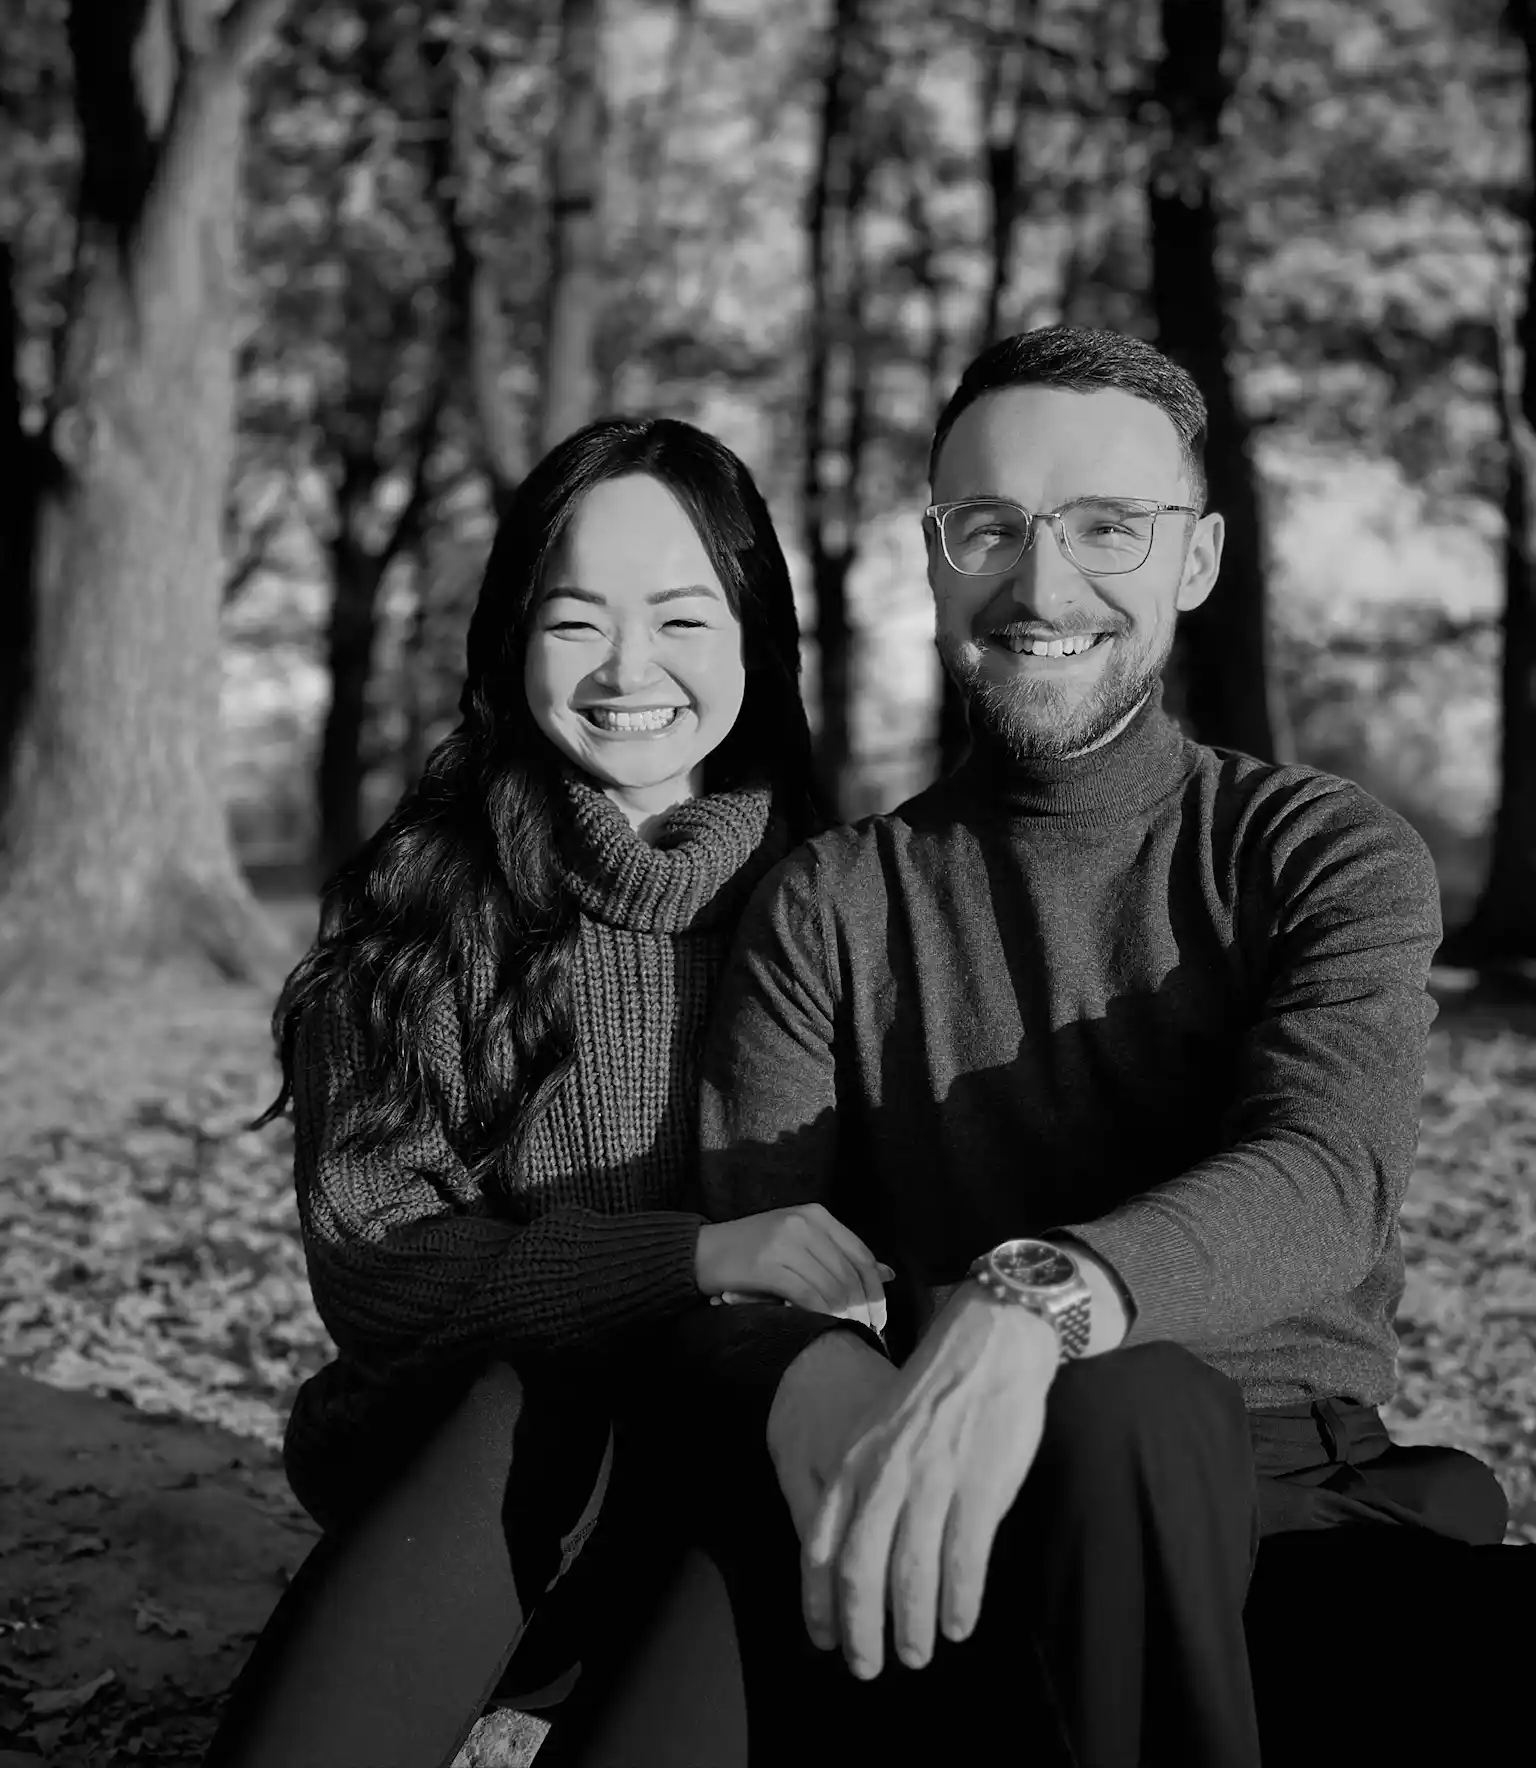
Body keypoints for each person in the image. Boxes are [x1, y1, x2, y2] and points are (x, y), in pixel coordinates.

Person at [642, 325, 1526, 1768]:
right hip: (971, 1523)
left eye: (1110, 526)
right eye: (991, 527)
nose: (1044, 587)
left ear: (1197, 558)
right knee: (1105, 1415)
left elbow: (1327, 1174)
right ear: (937, 560)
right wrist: (825, 1370)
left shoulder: (1319, 852)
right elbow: (766, 1272)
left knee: (1135, 1398)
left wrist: (1031, 1298)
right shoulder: (831, 901)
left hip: (1294, 1505)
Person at [199, 417, 893, 1768]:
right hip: (482, 1489)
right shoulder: (427, 908)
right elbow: (377, 1268)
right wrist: (690, 1257)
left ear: (756, 639)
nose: (629, 669)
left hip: (738, 1498)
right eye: (577, 621)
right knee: (534, 1386)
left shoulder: (850, 906)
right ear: (513, 640)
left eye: (682, 619)